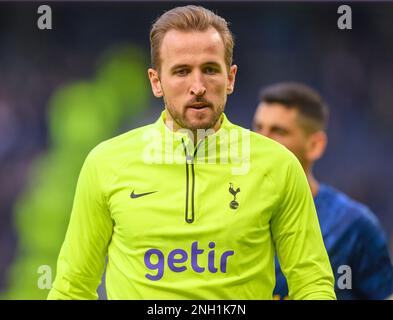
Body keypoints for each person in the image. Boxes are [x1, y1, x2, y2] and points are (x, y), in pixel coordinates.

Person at [48, 6, 335, 300]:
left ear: (230, 78)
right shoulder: (105, 163)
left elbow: (312, 283)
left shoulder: (279, 165)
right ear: (156, 81)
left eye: (210, 70)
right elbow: (72, 288)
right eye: (181, 71)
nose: (197, 87)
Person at [253, 82, 393, 300]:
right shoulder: (232, 214)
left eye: (278, 131)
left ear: (314, 145)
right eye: (258, 129)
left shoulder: (352, 226)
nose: (262, 141)